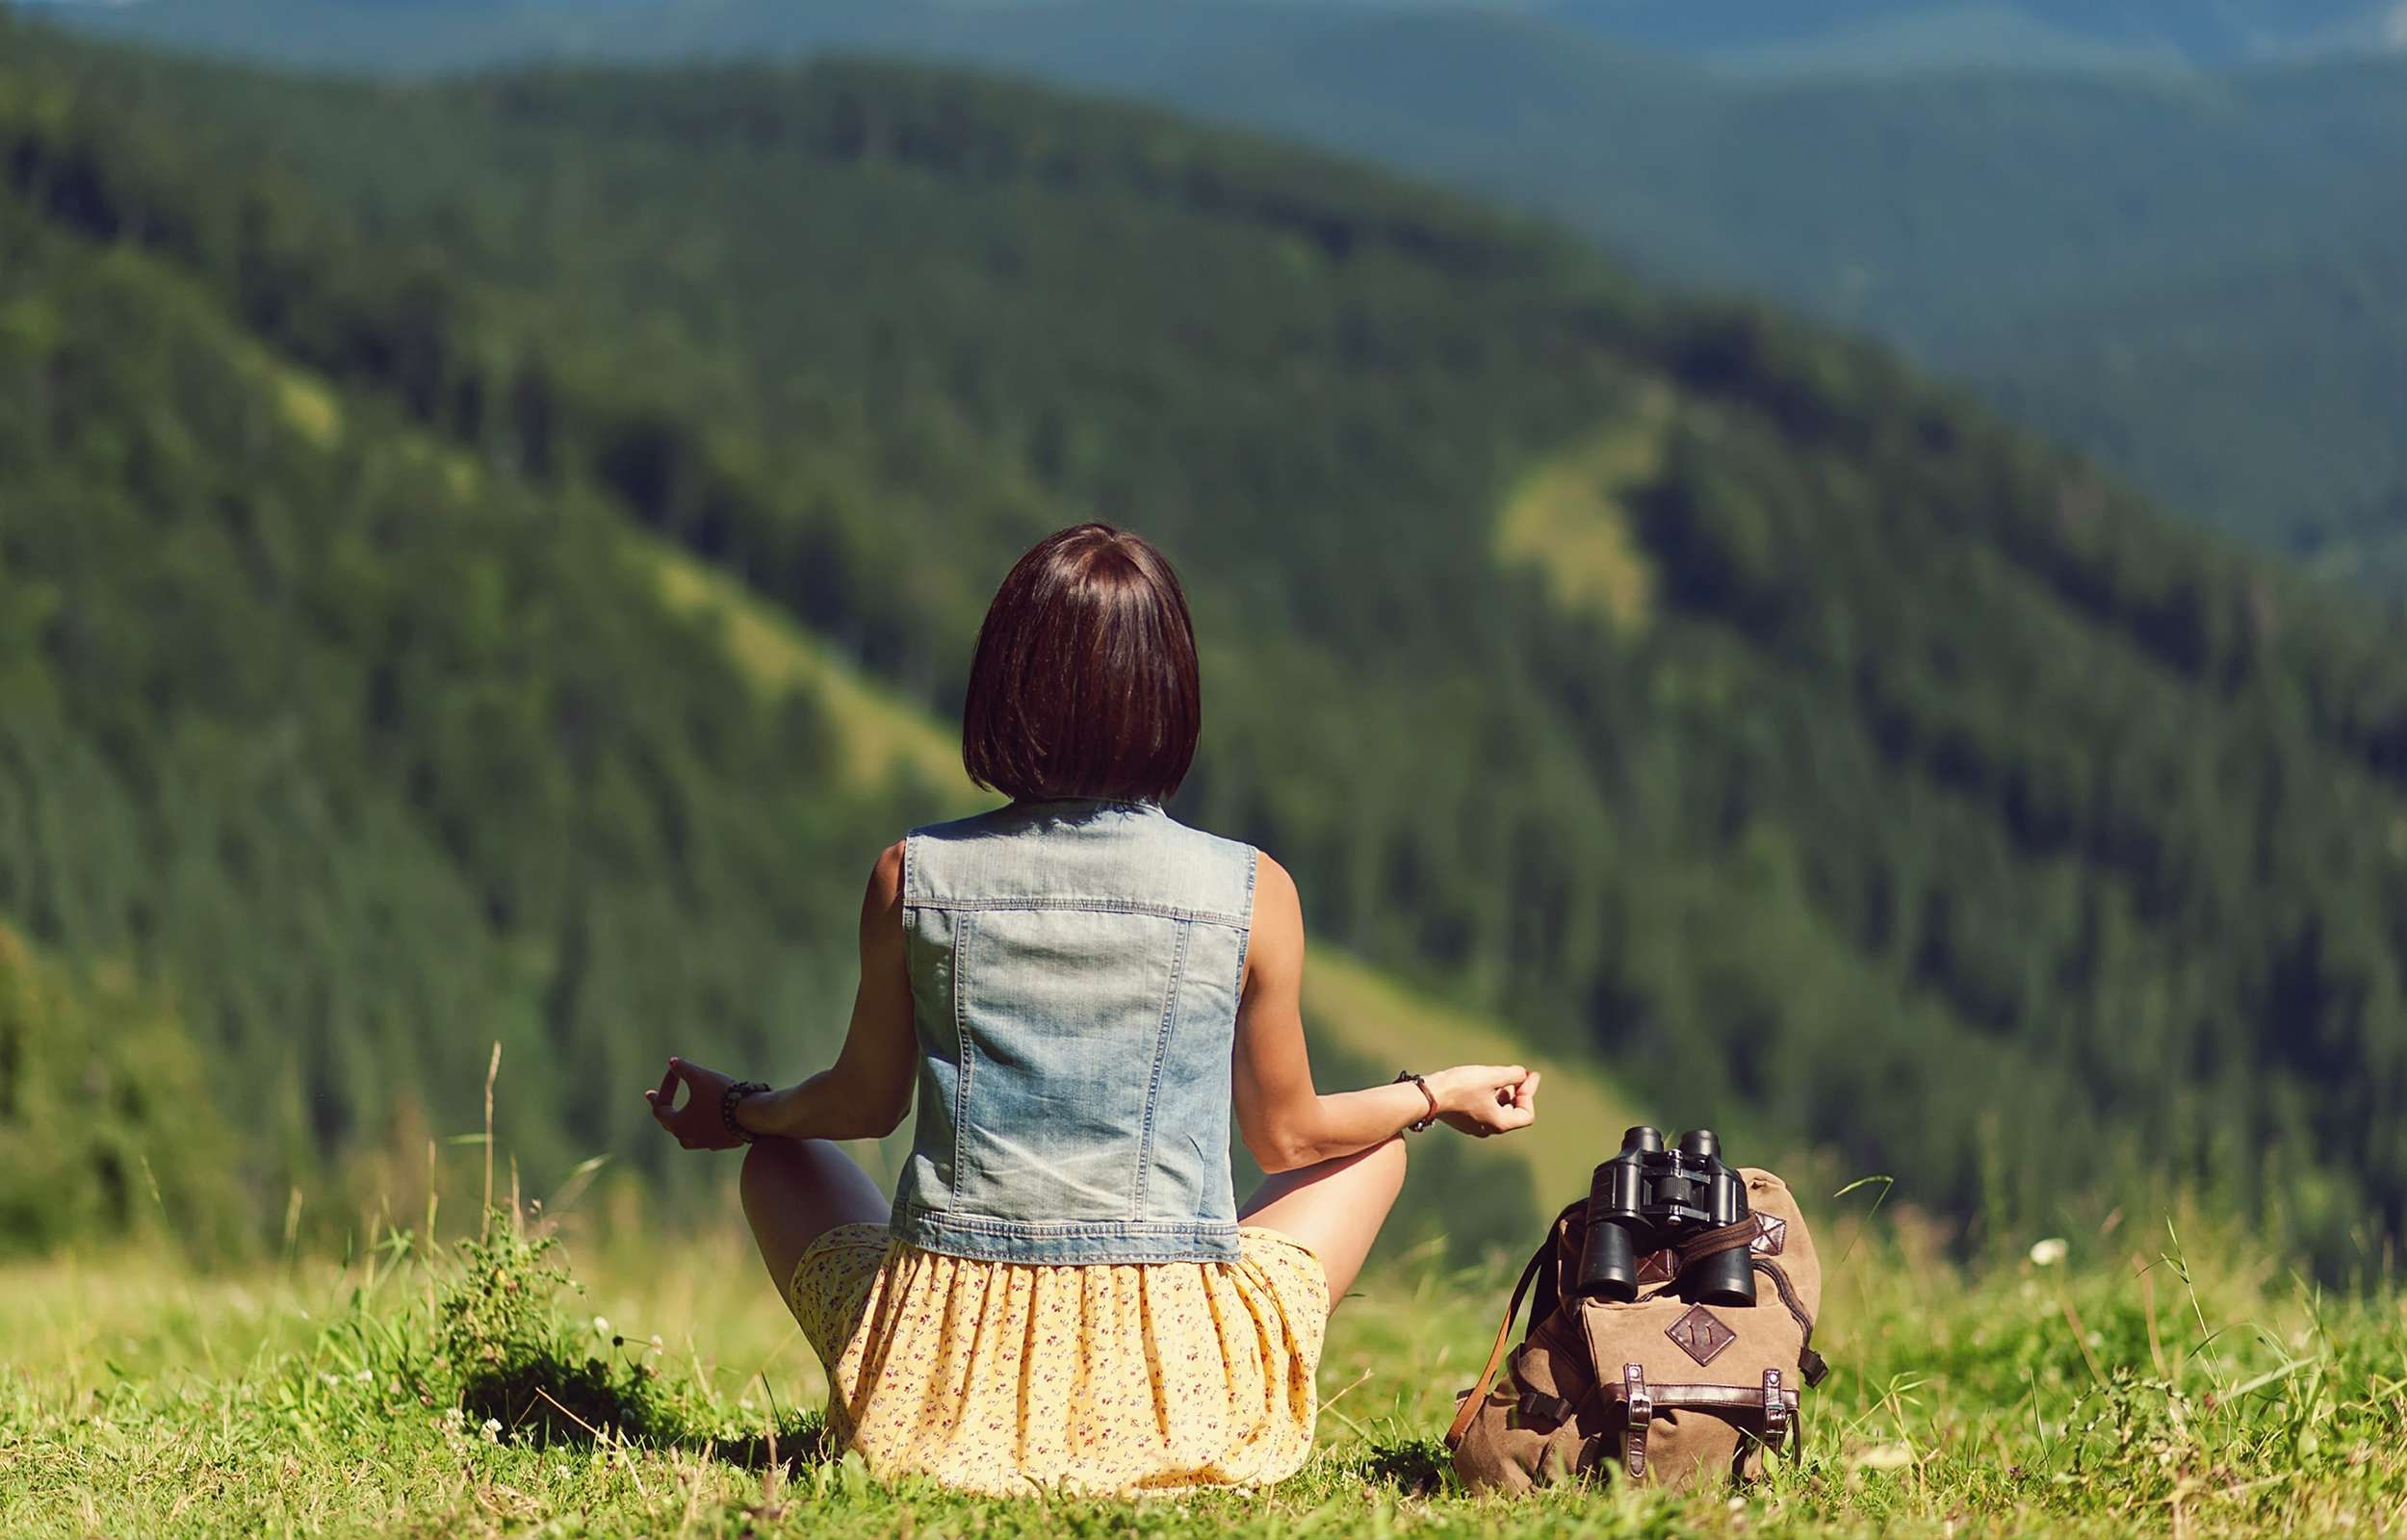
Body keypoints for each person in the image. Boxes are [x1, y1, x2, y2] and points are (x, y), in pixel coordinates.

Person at [644, 523, 1540, 1495]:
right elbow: (1291, 1137)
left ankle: (920, 1394)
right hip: (1175, 1394)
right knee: (1382, 1145)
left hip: (938, 1397)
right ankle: (1193, 1390)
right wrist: (1436, 1090)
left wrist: (741, 1112)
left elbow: (860, 1108)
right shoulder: (1251, 891)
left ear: (1007, 683)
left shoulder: (914, 877)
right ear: (1169, 693)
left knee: (785, 1156)